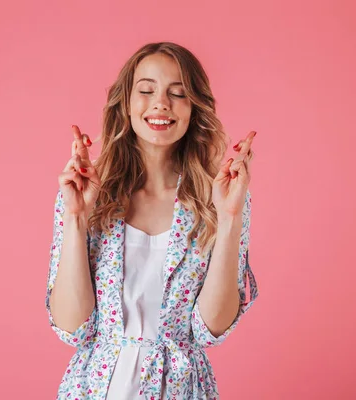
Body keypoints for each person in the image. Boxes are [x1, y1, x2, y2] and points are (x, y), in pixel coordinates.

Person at [45, 42, 259, 400]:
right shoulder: (88, 194)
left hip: (181, 390)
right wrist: (77, 217)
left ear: (194, 108)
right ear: (126, 103)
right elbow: (72, 329)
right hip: (94, 390)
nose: (161, 103)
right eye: (146, 90)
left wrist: (230, 218)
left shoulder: (218, 199)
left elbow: (211, 330)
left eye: (178, 93)